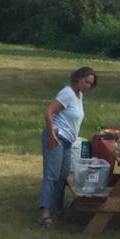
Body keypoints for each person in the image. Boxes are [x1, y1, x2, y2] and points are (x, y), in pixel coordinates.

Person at [38, 66, 98, 228]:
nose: (88, 86)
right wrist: (52, 135)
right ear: (78, 78)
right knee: (52, 174)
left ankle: (57, 208)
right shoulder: (68, 93)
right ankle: (44, 213)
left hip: (68, 142)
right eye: (86, 81)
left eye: (91, 84)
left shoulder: (79, 96)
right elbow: (48, 112)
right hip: (57, 138)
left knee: (63, 175)